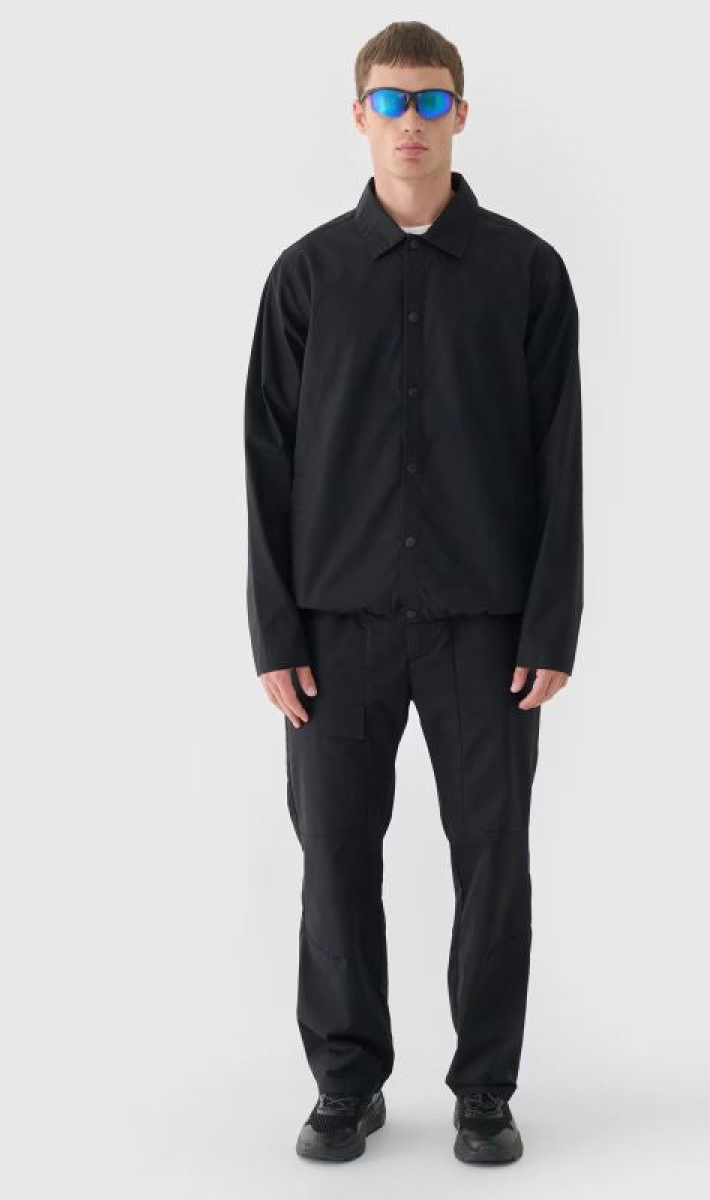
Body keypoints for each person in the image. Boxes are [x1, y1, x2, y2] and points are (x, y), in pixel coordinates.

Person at [243, 19, 584, 1165]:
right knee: (336, 860)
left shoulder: (528, 274)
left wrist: (552, 621)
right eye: (390, 102)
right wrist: (274, 631)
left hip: (488, 628)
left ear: (460, 115)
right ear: (359, 117)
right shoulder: (305, 277)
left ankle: (485, 1088)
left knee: (493, 861)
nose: (411, 123)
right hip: (332, 631)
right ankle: (347, 1083)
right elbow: (266, 461)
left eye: (431, 101)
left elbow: (560, 458)